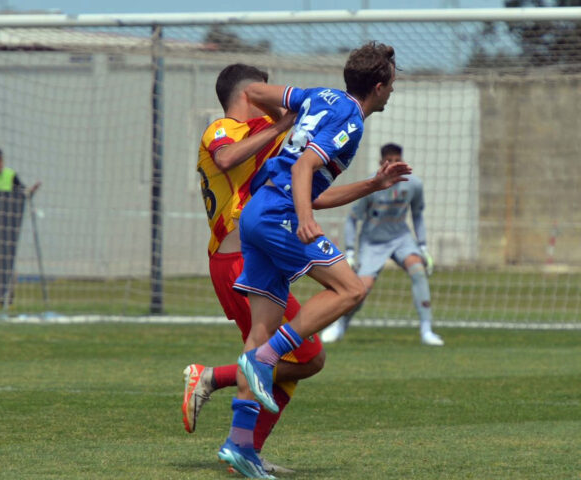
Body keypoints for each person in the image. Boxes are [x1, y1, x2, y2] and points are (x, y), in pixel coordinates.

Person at [218, 42, 411, 478]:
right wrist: (304, 219)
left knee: (260, 328)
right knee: (351, 288)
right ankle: (266, 359)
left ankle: (239, 446)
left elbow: (255, 94)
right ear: (378, 87)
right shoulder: (349, 119)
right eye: (392, 86)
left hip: (256, 211)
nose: (392, 93)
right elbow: (305, 168)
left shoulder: (319, 96)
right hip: (282, 214)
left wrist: (372, 185)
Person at [183, 64, 326, 475]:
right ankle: (210, 378)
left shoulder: (267, 131)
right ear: (250, 94)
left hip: (255, 258)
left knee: (294, 363)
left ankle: (246, 451)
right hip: (236, 262)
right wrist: (280, 123)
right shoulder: (221, 129)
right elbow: (227, 158)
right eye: (265, 90)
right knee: (303, 356)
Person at [319, 143, 443, 346]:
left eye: (397, 160)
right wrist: (350, 251)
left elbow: (417, 215)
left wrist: (423, 247)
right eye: (389, 161)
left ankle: (426, 330)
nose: (394, 165)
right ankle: (340, 325)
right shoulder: (371, 185)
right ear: (381, 163)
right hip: (373, 242)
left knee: (418, 270)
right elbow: (352, 219)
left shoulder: (413, 184)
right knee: (361, 288)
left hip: (401, 238)